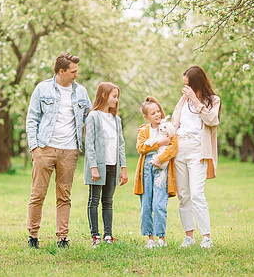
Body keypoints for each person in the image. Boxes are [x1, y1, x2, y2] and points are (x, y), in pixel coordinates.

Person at [25, 53, 92, 249]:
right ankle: (33, 236)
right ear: (61, 71)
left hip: (70, 150)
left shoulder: (81, 92)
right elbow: (32, 119)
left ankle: (62, 238)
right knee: (38, 194)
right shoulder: (42, 88)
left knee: (64, 196)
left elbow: (90, 117)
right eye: (73, 72)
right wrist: (35, 147)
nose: (76, 75)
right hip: (44, 148)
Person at [171, 65, 221, 249]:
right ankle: (189, 236)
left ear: (197, 83)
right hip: (180, 150)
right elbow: (174, 123)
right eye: (184, 85)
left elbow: (212, 120)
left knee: (197, 194)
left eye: (189, 85)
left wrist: (195, 100)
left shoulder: (213, 100)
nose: (185, 89)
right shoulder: (183, 100)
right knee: (183, 195)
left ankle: (206, 237)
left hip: (197, 151)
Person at [84, 82, 128, 247]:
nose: (116, 100)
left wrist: (123, 168)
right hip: (98, 167)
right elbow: (90, 144)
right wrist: (93, 167)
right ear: (104, 95)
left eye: (117, 97)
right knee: (94, 200)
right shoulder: (93, 116)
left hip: (113, 165)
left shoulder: (116, 119)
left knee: (108, 201)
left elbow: (121, 144)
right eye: (114, 96)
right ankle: (95, 235)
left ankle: (108, 235)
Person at [135, 96, 178, 249]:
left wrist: (160, 158)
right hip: (146, 168)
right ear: (146, 117)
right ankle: (150, 238)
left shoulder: (168, 128)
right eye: (153, 113)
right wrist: (158, 143)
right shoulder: (144, 130)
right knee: (146, 204)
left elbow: (173, 147)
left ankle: (161, 238)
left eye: (158, 111)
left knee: (159, 204)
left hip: (162, 168)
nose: (158, 115)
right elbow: (140, 147)